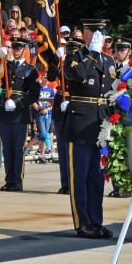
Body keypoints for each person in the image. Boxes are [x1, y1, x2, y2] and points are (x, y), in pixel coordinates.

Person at [62, 18, 115, 239]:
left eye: (101, 33)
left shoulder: (108, 60)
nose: (99, 37)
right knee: (80, 177)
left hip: (100, 125)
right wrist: (91, 54)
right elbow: (79, 75)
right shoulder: (75, 57)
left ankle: (96, 221)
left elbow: (111, 91)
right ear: (85, 34)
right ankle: (82, 222)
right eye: (94, 32)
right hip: (80, 124)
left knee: (96, 176)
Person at [0, 37, 40, 192]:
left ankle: (17, 180)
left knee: (18, 148)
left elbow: (34, 94)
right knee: (7, 148)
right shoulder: (6, 65)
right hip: (5, 110)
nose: (16, 51)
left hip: (19, 113)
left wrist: (18, 103)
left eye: (18, 48)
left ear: (24, 49)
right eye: (14, 48)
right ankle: (9, 180)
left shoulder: (31, 69)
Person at [48, 36, 85, 195]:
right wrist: (55, 59)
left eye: (73, 49)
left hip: (73, 104)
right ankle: (65, 183)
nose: (70, 52)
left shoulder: (81, 65)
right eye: (69, 49)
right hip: (60, 105)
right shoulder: (61, 64)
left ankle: (75, 183)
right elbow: (50, 77)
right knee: (62, 150)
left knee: (74, 150)